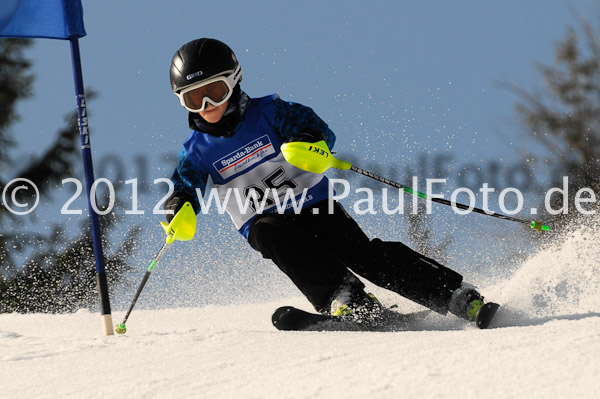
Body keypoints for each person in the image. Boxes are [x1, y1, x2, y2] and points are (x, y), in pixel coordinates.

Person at [164, 38, 487, 325]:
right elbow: (185, 184)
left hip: (314, 204)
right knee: (272, 233)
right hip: (263, 221)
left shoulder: (270, 112)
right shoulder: (196, 151)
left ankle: (454, 295)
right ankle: (344, 296)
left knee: (363, 255)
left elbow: (315, 128)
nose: (207, 107)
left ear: (233, 82)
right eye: (194, 99)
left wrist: (309, 140)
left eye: (214, 92)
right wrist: (180, 206)